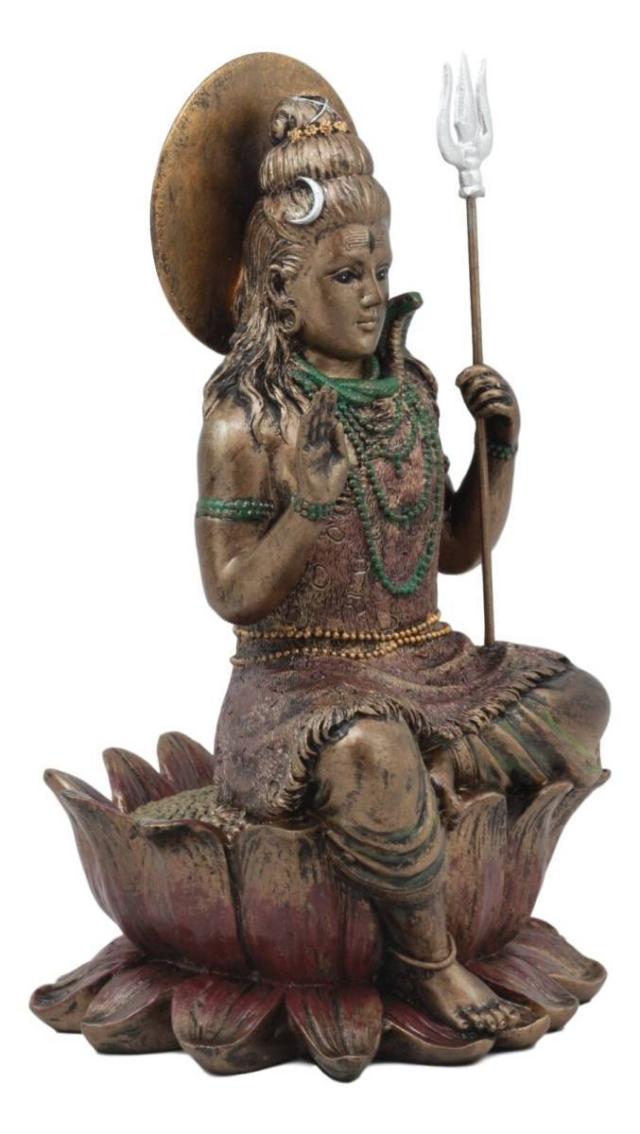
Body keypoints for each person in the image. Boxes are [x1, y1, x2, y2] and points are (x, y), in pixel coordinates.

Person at [195, 95, 609, 1036]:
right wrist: (307, 511)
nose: (373, 293)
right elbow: (231, 593)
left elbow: (454, 552)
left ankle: (428, 789)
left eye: (379, 268)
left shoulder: (409, 389)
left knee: (578, 698)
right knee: (370, 755)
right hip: (295, 689)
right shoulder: (244, 421)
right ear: (281, 291)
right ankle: (429, 959)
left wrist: (498, 451)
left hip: (427, 662)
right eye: (346, 274)